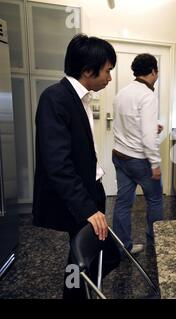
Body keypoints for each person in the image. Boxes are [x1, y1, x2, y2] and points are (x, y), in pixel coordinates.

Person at [32, 34, 120, 299]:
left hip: (90, 190)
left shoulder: (80, 98)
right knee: (81, 256)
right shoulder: (55, 99)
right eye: (107, 70)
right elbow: (57, 164)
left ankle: (79, 292)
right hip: (77, 198)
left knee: (94, 256)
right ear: (87, 70)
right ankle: (74, 294)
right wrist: (86, 208)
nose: (109, 78)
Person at [112, 53, 163, 254]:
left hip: (119, 155)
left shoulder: (122, 93)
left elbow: (125, 124)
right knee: (156, 199)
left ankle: (122, 247)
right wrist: (155, 163)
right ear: (153, 71)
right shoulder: (148, 96)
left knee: (123, 202)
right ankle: (156, 245)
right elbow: (148, 139)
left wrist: (152, 127)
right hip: (139, 160)